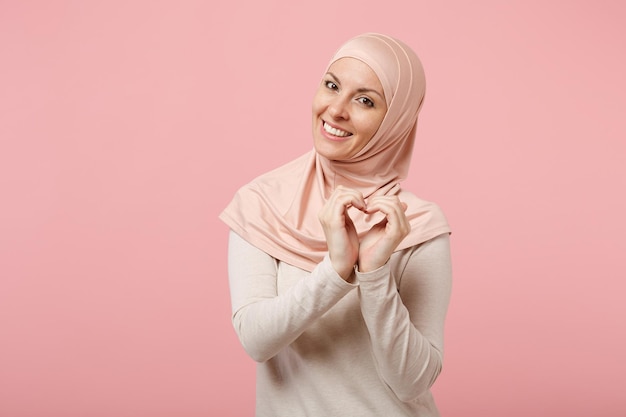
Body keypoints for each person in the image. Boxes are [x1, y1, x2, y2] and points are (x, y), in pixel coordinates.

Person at [219, 32, 452, 417]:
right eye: (331, 86)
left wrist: (374, 274)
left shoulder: (415, 225)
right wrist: (336, 271)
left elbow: (413, 381)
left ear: (396, 120)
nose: (336, 110)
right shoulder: (262, 204)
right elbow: (257, 341)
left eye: (365, 100)